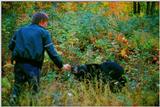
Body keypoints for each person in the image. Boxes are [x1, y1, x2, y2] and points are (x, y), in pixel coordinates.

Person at [8, 12, 71, 104]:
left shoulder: (20, 30)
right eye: (46, 22)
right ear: (41, 21)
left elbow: (10, 46)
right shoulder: (43, 33)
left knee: (17, 89)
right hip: (33, 67)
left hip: (18, 65)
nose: (47, 24)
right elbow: (52, 52)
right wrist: (61, 66)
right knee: (34, 93)